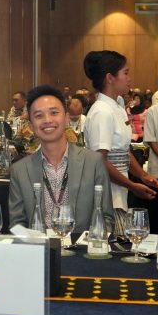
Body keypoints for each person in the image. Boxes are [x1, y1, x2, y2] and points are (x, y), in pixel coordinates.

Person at [9, 85, 114, 235]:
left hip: (80, 247)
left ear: (66, 118)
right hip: (39, 247)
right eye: (39, 115)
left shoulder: (93, 162)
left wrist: (89, 242)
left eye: (54, 113)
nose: (47, 120)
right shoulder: (19, 170)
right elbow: (16, 224)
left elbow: (106, 218)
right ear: (31, 126)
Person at [83, 50, 158, 212]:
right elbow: (100, 161)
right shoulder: (102, 111)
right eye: (125, 73)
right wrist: (132, 186)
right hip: (105, 193)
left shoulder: (117, 108)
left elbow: (123, 151)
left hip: (119, 189)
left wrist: (143, 175)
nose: (129, 78)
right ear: (110, 78)